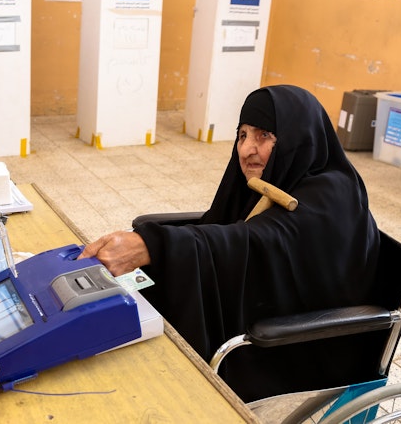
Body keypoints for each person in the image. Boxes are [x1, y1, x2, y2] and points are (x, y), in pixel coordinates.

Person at [80, 85, 383, 402]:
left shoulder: (333, 194)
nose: (246, 149)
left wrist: (154, 245)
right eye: (242, 135)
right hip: (265, 310)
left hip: (302, 344)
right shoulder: (269, 178)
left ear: (297, 136)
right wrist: (156, 240)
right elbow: (223, 227)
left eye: (264, 135)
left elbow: (260, 240)